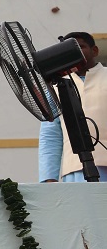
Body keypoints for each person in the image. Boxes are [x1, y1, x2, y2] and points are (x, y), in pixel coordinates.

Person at [39, 31, 106, 182]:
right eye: (68, 49)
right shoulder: (56, 87)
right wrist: (49, 178)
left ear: (94, 50)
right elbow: (50, 136)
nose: (75, 52)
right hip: (74, 172)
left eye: (80, 46)